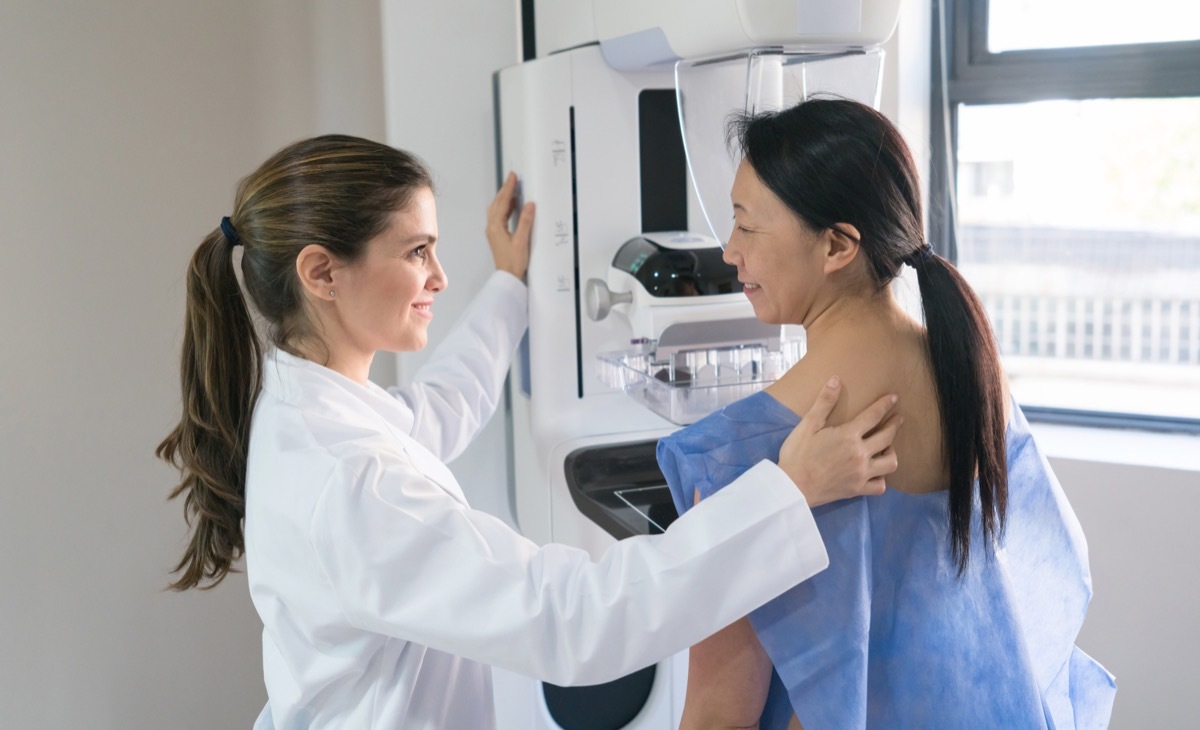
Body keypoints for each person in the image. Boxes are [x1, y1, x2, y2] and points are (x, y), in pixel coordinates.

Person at [155, 134, 905, 729]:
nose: (439, 277)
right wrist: (788, 492)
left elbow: (434, 415)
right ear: (322, 272)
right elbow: (571, 619)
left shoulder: (307, 407)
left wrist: (509, 286)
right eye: (417, 251)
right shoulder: (350, 478)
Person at [659, 98, 1117, 729]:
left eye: (745, 225)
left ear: (838, 244)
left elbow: (718, 712)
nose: (730, 251)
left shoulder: (737, 453)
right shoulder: (973, 379)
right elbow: (1045, 591)